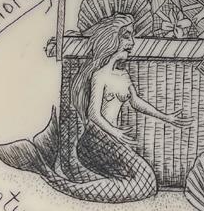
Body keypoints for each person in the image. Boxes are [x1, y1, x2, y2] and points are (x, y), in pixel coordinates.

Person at [66, 14, 191, 201]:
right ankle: (68, 187)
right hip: (96, 138)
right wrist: (115, 132)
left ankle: (81, 186)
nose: (132, 42)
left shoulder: (123, 75)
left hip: (113, 140)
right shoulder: (99, 75)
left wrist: (166, 117)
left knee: (147, 182)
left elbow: (136, 101)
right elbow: (93, 114)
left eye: (132, 36)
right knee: (145, 181)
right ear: (112, 39)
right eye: (126, 36)